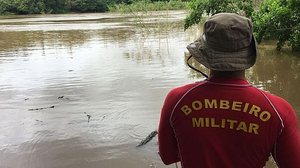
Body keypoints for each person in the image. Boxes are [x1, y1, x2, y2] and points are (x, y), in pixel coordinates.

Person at [158, 13, 300, 168]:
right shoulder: (279, 111)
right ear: (249, 52)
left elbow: (167, 157)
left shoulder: (177, 99)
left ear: (205, 51)